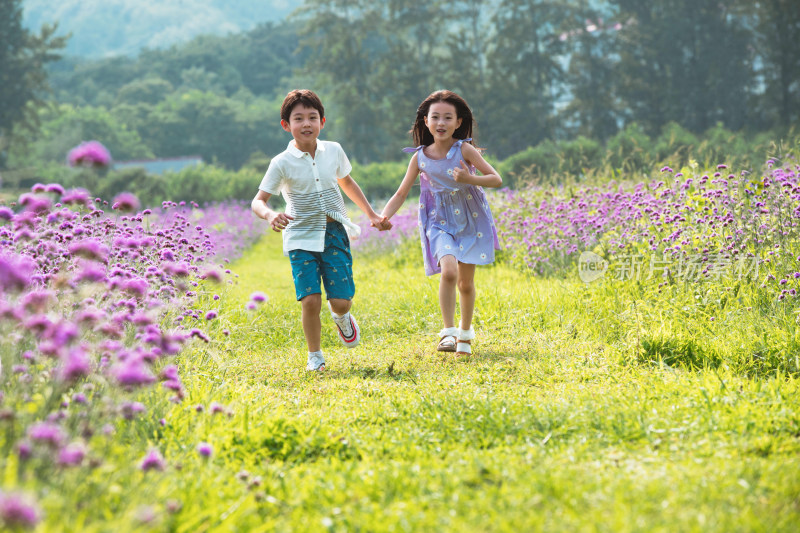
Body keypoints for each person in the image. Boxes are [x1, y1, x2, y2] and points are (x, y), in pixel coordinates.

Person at [252, 89, 391, 371]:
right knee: (310, 299)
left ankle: (341, 318)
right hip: (300, 237)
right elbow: (258, 200)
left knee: (341, 301)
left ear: (322, 122)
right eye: (298, 118)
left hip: (334, 232)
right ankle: (315, 356)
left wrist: (372, 215)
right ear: (285, 125)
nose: (306, 124)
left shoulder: (334, 151)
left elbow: (348, 183)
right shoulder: (281, 162)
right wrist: (269, 215)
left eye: (312, 117)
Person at [381, 90, 501, 357]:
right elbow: (401, 193)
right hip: (439, 222)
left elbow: (495, 178)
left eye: (448, 117)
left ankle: (465, 336)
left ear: (458, 122)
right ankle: (448, 333)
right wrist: (384, 216)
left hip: (470, 219)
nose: (441, 123)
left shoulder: (464, 149)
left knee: (466, 284)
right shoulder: (420, 157)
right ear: (426, 122)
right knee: (448, 271)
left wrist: (470, 179)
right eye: (435, 117)